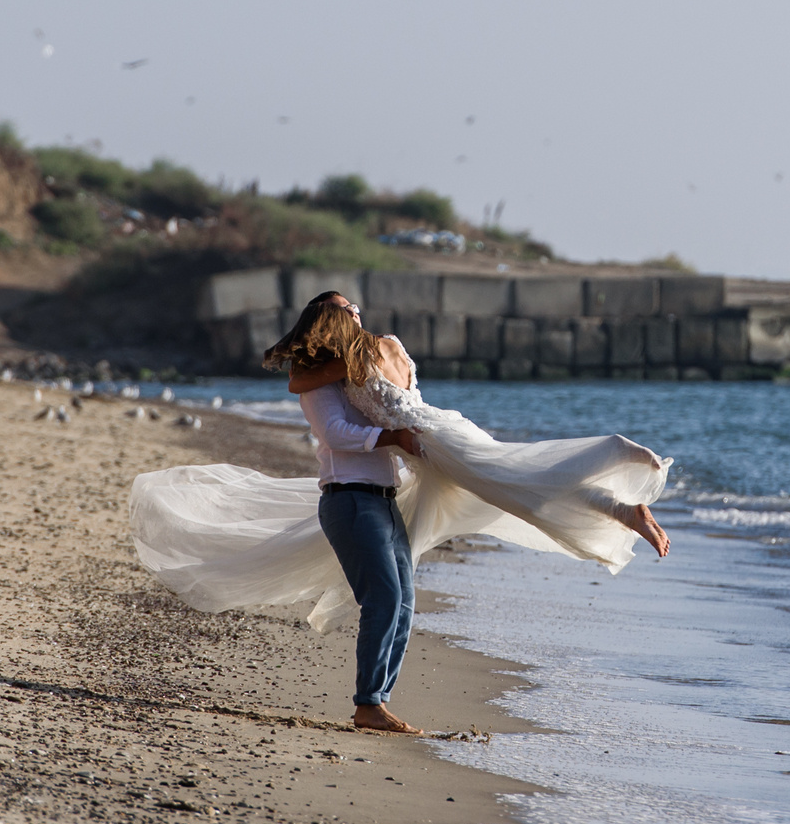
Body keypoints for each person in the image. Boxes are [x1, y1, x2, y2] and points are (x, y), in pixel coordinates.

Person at [129, 290, 674, 735]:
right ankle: (369, 703)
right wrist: (391, 434)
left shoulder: (378, 350)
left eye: (355, 307)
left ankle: (620, 501)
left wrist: (406, 434)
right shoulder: (323, 376)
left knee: (510, 485)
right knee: (400, 584)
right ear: (325, 319)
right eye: (344, 308)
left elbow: (407, 398)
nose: (356, 312)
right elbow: (334, 433)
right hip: (349, 499)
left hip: (413, 463)